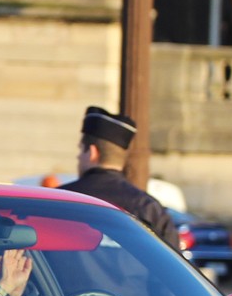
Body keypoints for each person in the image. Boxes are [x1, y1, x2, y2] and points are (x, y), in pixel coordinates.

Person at [60, 106, 179, 250]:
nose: (78, 157)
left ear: (92, 152)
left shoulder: (59, 201)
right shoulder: (148, 208)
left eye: (80, 150)